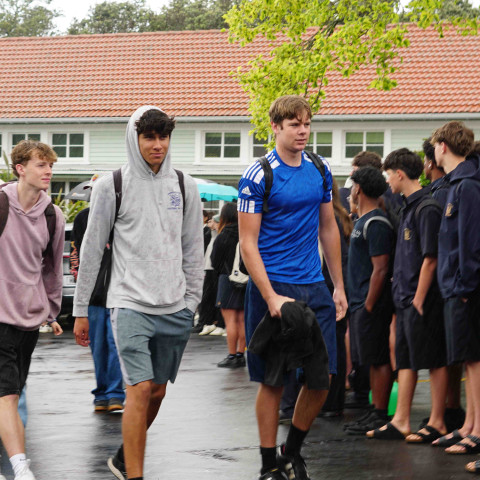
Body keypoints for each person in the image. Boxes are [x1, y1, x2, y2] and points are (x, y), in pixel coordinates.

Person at [72, 106, 204, 480]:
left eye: (164, 137)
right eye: (150, 137)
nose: (158, 145)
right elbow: (92, 249)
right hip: (128, 303)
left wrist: (191, 302)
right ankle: (136, 475)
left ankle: (124, 457)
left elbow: (194, 249)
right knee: (140, 389)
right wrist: (81, 309)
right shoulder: (111, 185)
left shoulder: (185, 185)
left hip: (175, 306)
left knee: (157, 393)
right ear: (135, 138)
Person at [238, 95, 347, 480]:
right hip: (273, 286)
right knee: (273, 380)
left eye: (306, 123)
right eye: (294, 124)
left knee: (324, 378)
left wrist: (338, 285)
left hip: (314, 285)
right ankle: (269, 463)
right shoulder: (258, 174)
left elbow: (329, 227)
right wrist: (270, 297)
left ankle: (292, 450)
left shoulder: (319, 168)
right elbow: (247, 243)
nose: (302, 131)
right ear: (276, 128)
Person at [367, 148, 448, 443]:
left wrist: (417, 299)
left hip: (420, 300)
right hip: (404, 299)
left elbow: (431, 258)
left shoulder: (427, 208)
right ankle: (401, 420)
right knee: (406, 359)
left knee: (433, 359)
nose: (388, 181)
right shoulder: (408, 208)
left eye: (389, 175)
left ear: (400, 173)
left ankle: (438, 421)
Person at [0, 140, 64, 480]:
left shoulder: (53, 215)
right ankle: (20, 467)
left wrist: (51, 312)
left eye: (50, 165)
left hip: (28, 319)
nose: (48, 171)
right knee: (7, 393)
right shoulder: (0, 203)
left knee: (11, 392)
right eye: (41, 165)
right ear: (20, 168)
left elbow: (52, 270)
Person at [424, 122, 480, 475]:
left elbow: (470, 243)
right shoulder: (458, 184)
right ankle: (471, 425)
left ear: (443, 146)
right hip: (456, 287)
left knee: (474, 361)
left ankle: (477, 429)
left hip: (465, 289)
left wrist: (462, 284)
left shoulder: (468, 187)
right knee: (469, 359)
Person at [343, 167, 395, 436]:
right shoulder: (363, 220)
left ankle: (380, 412)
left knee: (378, 358)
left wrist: (369, 305)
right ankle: (375, 410)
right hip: (359, 301)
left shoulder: (376, 223)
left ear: (358, 189)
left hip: (370, 303)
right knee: (371, 359)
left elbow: (381, 269)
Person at [423, 137, 466, 433]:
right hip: (449, 281)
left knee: (453, 352)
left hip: (449, 283)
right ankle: (452, 409)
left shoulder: (449, 191)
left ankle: (451, 410)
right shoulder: (448, 188)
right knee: (455, 352)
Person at [70, 203, 125, 413]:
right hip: (93, 295)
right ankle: (102, 393)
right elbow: (76, 255)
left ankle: (115, 393)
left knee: (116, 344)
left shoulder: (120, 217)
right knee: (98, 347)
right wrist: (81, 295)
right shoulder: (83, 218)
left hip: (119, 294)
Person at [210, 202, 246, 368]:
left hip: (227, 279)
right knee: (242, 320)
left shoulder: (223, 235)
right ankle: (241, 354)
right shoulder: (245, 233)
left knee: (230, 321)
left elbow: (214, 261)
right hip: (245, 280)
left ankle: (232, 356)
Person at [197, 214, 225, 336]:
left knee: (214, 296)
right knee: (207, 295)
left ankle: (218, 323)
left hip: (214, 268)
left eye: (213, 221)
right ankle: (208, 322)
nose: (210, 223)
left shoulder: (220, 235)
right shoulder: (211, 234)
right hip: (208, 267)